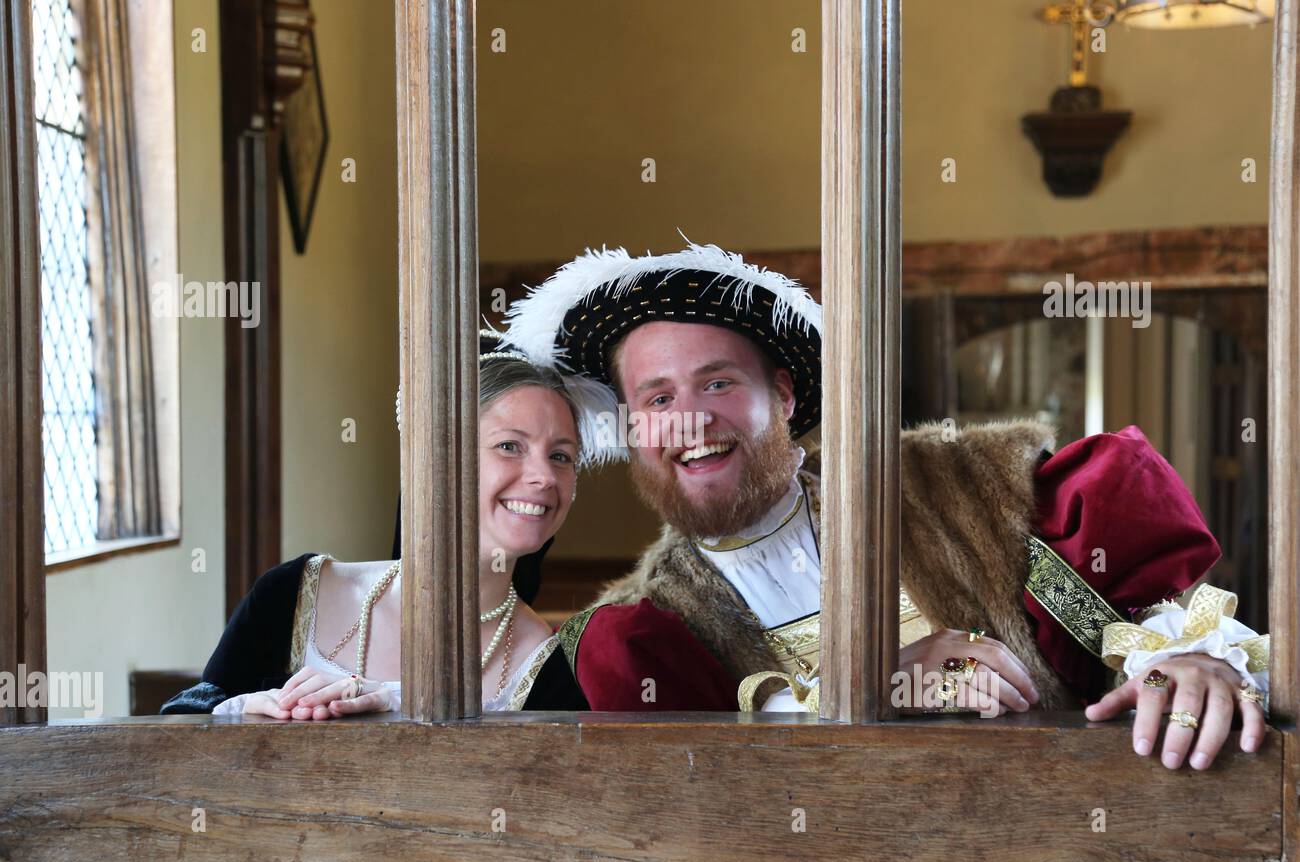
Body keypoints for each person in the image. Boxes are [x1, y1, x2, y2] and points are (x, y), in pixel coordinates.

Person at [503, 241, 1270, 769]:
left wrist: (1188, 658)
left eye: (719, 383)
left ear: (785, 393)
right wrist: (878, 686)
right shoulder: (642, 638)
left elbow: (1146, 625)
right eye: (658, 398)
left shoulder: (975, 481)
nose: (692, 422)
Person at [161, 331, 590, 717]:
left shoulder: (551, 668)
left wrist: (396, 701)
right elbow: (177, 735)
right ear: (439, 456)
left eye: (561, 456)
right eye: (510, 445)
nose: (544, 477)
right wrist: (245, 710)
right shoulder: (290, 596)